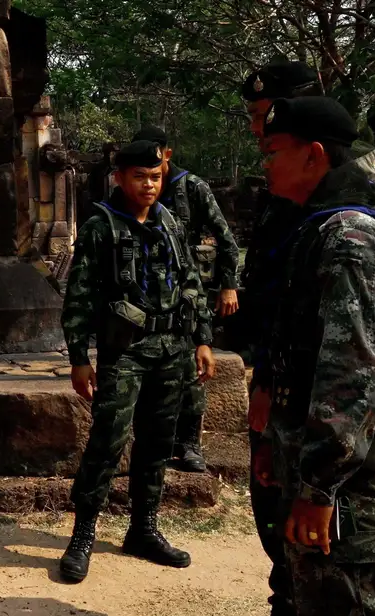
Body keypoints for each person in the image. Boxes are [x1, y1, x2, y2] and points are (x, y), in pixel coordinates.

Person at [260, 96, 375, 616]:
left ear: (313, 155)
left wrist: (319, 487)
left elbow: (352, 371)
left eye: (272, 152)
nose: (265, 165)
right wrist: (278, 442)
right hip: (321, 469)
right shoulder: (318, 227)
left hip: (349, 484)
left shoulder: (347, 237)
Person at [59, 140, 216, 583]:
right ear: (120, 178)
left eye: (156, 177)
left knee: (158, 442)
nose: (149, 185)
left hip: (172, 349)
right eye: (139, 177)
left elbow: (190, 281)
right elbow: (80, 296)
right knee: (108, 441)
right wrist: (79, 358)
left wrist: (203, 340)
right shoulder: (101, 227)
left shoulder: (169, 222)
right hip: (125, 352)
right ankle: (83, 533)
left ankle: (143, 529)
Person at [235, 60, 325, 616]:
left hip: (330, 383)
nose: (256, 130)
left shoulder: (343, 191)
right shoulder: (284, 184)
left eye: (263, 116)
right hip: (283, 372)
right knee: (273, 504)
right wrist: (264, 373)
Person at [131, 126, 239, 474]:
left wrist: (228, 285)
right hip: (145, 293)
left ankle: (189, 442)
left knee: (192, 368)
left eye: (155, 160)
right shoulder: (133, 188)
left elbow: (225, 239)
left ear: (167, 154)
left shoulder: (191, 187)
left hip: (187, 291)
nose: (149, 176)